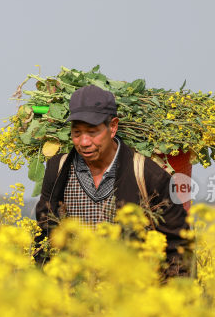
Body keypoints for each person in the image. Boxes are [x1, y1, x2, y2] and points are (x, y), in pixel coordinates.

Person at [32, 84, 194, 281]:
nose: (83, 142)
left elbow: (179, 250)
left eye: (92, 132)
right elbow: (44, 238)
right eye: (76, 133)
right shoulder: (57, 170)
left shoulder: (150, 176)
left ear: (113, 127)